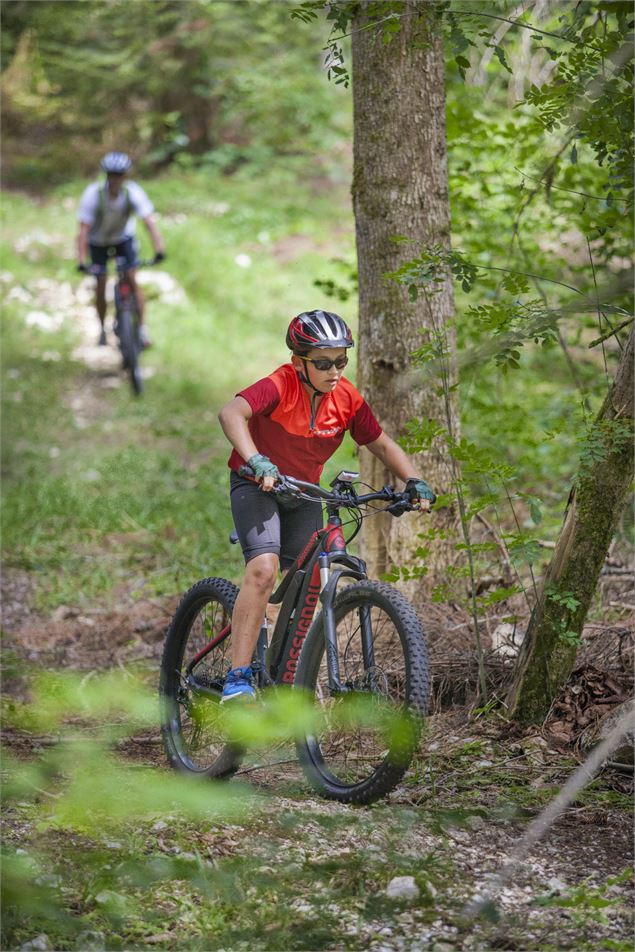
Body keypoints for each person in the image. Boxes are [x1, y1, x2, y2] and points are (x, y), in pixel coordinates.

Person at [217, 309, 436, 701]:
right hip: (257, 485)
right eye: (323, 363)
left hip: (303, 493)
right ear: (298, 362)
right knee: (263, 571)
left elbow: (381, 443)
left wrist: (413, 480)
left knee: (307, 583)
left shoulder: (346, 398)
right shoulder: (280, 385)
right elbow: (231, 413)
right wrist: (256, 460)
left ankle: (290, 675)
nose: (334, 370)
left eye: (341, 360)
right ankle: (237, 676)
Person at [76, 152, 165, 347]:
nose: (115, 179)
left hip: (123, 239)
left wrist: (159, 249)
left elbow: (148, 222)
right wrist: (82, 261)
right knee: (100, 283)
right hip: (98, 241)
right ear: (106, 175)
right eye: (111, 174)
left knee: (132, 279)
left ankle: (142, 329)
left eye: (119, 175)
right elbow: (83, 230)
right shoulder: (94, 195)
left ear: (125, 176)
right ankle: (102, 330)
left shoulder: (132, 192)